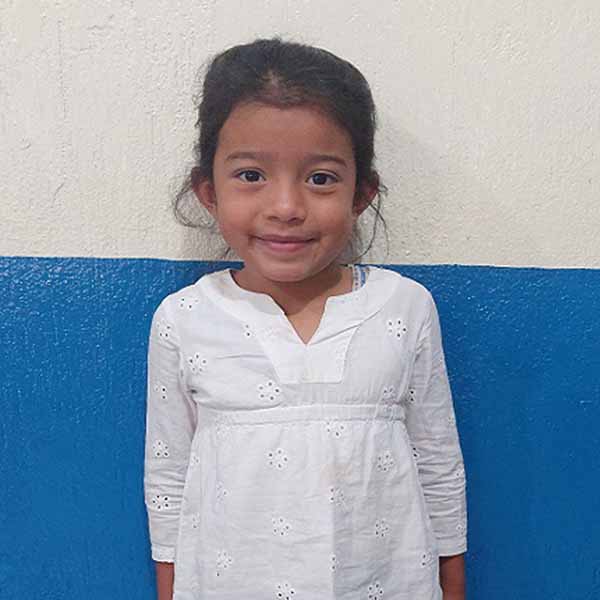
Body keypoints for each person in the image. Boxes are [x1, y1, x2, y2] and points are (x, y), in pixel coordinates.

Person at [144, 37, 467, 600]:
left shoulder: (404, 307)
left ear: (361, 194)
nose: (287, 207)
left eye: (320, 178)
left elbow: (439, 467)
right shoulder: (185, 319)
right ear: (208, 192)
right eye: (251, 175)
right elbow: (168, 481)